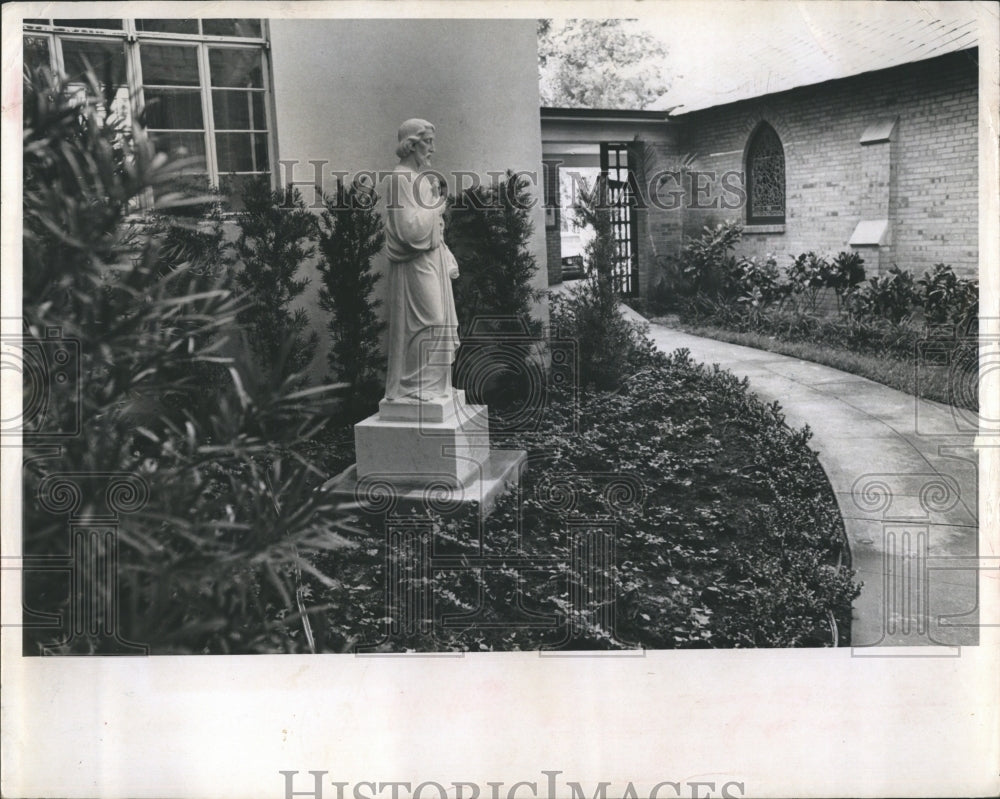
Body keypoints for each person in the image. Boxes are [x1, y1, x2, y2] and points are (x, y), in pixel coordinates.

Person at [383, 119, 461, 402]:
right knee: (430, 320)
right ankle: (413, 386)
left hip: (432, 259)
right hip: (415, 263)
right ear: (412, 144)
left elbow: (428, 228)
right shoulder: (399, 178)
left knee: (439, 323)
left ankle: (434, 385)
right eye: (428, 142)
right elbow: (408, 231)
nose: (433, 149)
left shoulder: (419, 180)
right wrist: (437, 207)